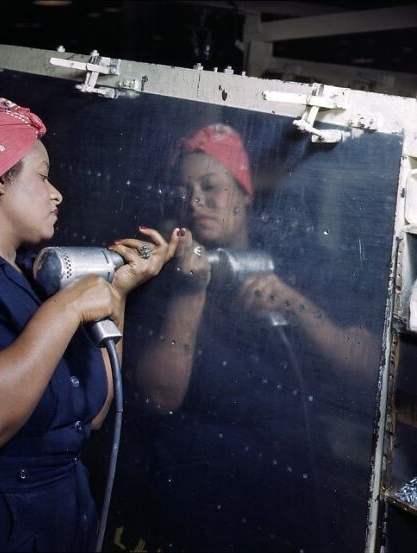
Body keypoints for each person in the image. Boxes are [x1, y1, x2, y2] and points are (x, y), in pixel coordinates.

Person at [0, 97, 179, 552]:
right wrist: (66, 310)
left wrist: (116, 293)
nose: (57, 192)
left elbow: (95, 414)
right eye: (42, 176)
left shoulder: (30, 277)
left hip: (63, 517)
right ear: (0, 178)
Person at [125, 123, 379, 551]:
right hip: (196, 493)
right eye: (183, 190)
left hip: (290, 487)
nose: (195, 201)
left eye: (211, 185)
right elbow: (157, 395)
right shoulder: (161, 276)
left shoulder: (298, 258)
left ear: (245, 193)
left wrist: (294, 305)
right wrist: (191, 291)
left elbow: (370, 368)